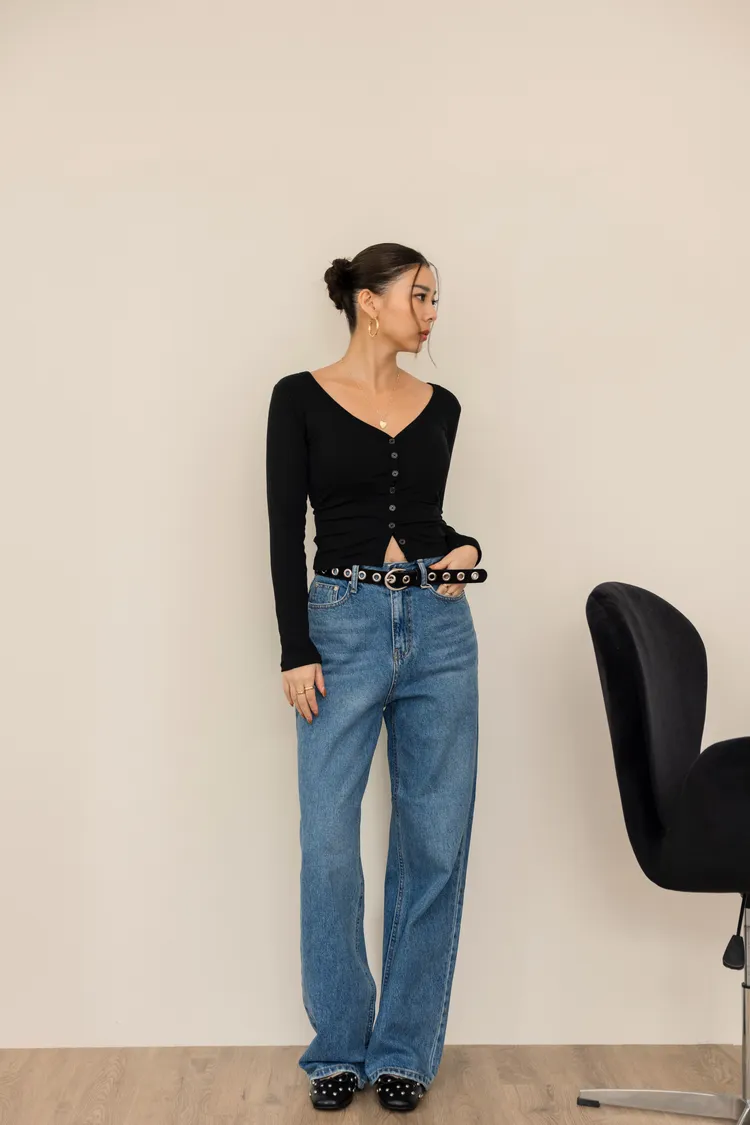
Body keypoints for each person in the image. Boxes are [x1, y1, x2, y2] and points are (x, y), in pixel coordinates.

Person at [265, 242, 486, 1113]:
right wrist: (295, 646)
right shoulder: (297, 397)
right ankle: (337, 1046)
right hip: (341, 626)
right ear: (369, 300)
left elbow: (427, 521)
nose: (431, 313)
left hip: (439, 628)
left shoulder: (444, 405)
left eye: (435, 300)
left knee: (433, 844)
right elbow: (285, 529)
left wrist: (464, 548)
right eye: (419, 296)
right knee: (328, 844)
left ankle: (403, 1049)